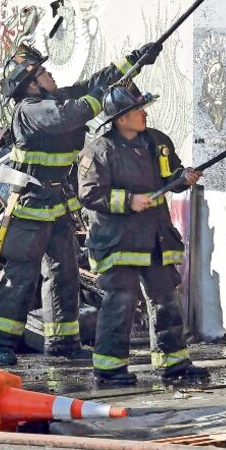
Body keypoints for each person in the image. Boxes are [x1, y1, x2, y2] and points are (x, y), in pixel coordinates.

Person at [0, 41, 160, 365]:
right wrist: (99, 99)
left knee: (64, 274)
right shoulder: (32, 110)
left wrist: (134, 61)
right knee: (22, 276)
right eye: (42, 72)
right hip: (30, 207)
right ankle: (0, 343)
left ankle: (63, 343)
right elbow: (71, 115)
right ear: (31, 83)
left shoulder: (56, 98)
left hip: (58, 206)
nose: (50, 74)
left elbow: (94, 84)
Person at [77, 84, 209, 385]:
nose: (145, 112)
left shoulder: (158, 142)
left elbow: (171, 176)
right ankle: (109, 370)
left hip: (155, 238)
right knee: (120, 300)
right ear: (121, 119)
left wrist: (183, 178)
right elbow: (89, 193)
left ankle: (173, 363)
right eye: (138, 109)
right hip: (118, 241)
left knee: (165, 299)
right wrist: (129, 201)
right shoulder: (99, 150)